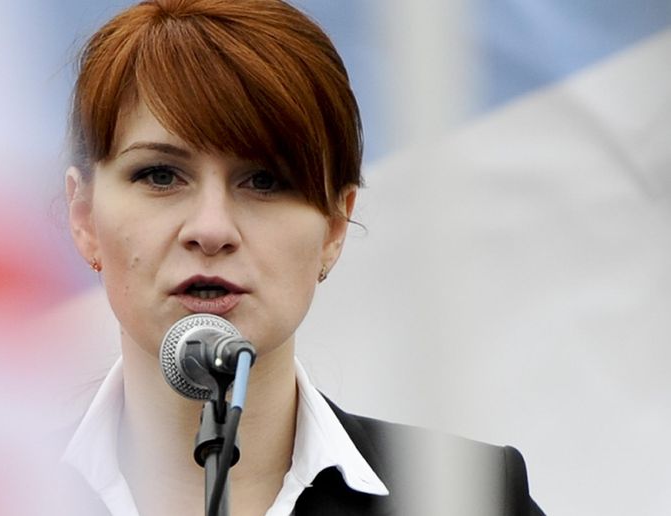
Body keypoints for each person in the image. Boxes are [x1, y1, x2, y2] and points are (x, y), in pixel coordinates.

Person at [61, 0, 545, 514]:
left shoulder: (466, 498)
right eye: (160, 175)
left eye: (264, 180)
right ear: (85, 217)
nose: (211, 229)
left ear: (335, 228)